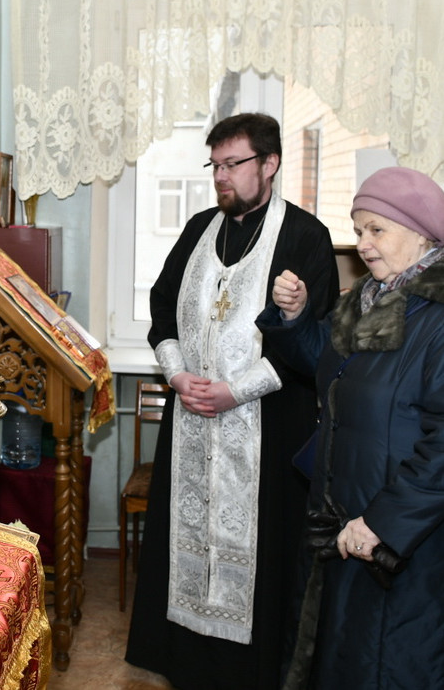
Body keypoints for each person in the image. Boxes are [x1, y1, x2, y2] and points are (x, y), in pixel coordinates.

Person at [125, 113, 339, 690]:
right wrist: (177, 375)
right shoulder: (200, 228)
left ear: (269, 164)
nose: (221, 176)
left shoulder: (306, 236)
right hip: (192, 420)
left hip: (270, 425)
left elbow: (318, 341)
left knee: (264, 554)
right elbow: (163, 306)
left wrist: (233, 391)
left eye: (233, 164)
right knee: (186, 541)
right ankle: (185, 663)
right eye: (215, 165)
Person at [257, 166, 444, 689]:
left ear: (423, 233)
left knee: (391, 660)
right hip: (346, 519)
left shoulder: (437, 315)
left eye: (377, 229)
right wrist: (294, 318)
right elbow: (328, 366)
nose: (362, 243)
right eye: (359, 229)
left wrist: (383, 521)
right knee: (345, 655)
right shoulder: (367, 300)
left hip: (403, 535)